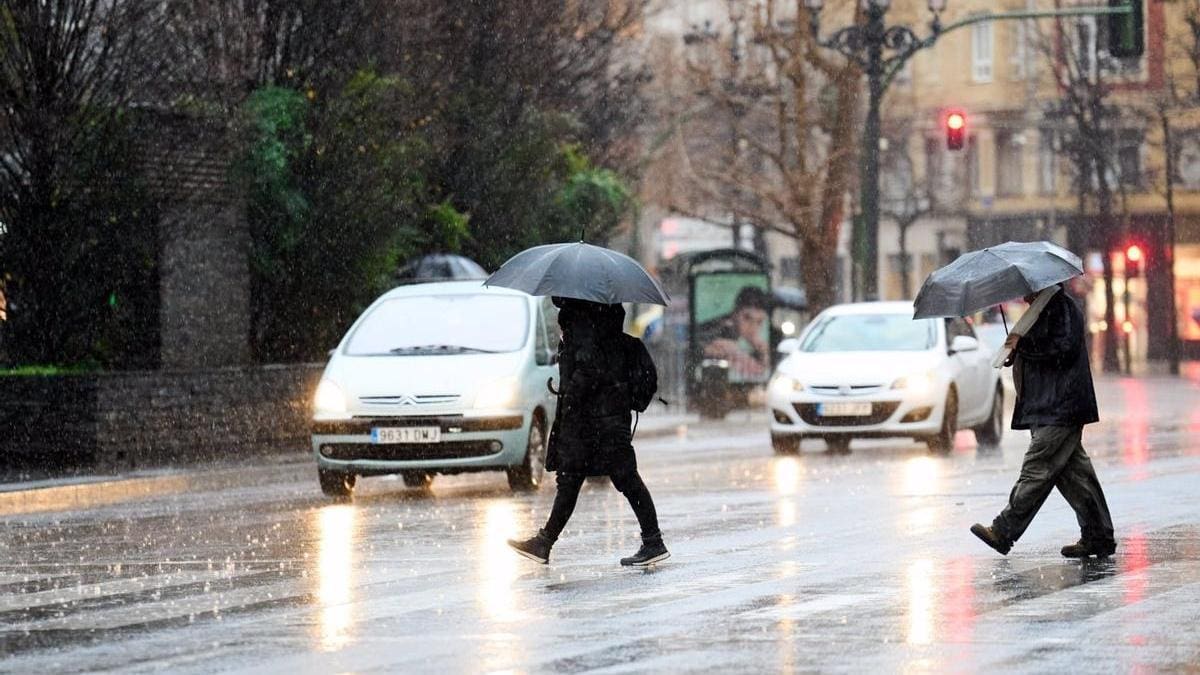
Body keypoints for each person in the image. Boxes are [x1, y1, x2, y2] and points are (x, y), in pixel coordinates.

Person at [507, 297, 669, 567]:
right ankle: (544, 542)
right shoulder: (601, 327)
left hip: (592, 423)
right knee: (576, 481)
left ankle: (653, 542)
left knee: (620, 480)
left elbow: (589, 370)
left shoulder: (584, 326)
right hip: (603, 421)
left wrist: (572, 394)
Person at [970, 284, 1116, 558]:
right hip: (1050, 406)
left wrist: (1023, 345)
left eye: (1028, 289)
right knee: (1075, 476)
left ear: (1041, 286)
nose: (1024, 295)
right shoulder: (1044, 310)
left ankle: (1003, 531)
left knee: (1037, 468)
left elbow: (1063, 349)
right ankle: (1099, 537)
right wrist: (1019, 351)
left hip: (1060, 406)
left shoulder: (1062, 308)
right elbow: (1045, 351)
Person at [694, 286, 772, 381]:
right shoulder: (718, 331)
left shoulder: (746, 341)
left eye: (759, 322)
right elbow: (694, 346)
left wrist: (764, 353)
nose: (753, 327)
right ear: (735, 312)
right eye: (747, 318)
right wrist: (708, 349)